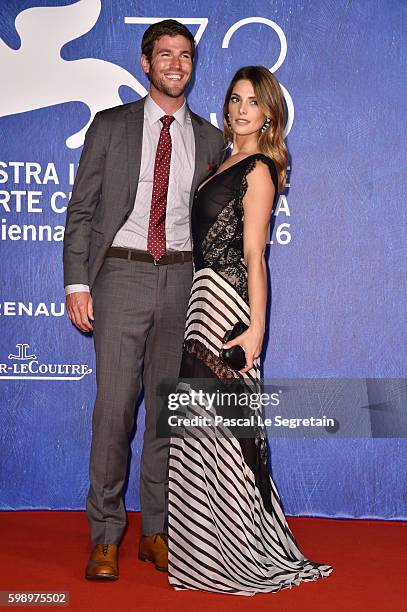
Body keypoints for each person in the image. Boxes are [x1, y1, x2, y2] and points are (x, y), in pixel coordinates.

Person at [63, 19, 224, 581]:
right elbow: (82, 209)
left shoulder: (209, 138)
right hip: (122, 277)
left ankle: (156, 532)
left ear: (191, 64)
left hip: (183, 281)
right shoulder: (111, 126)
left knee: (166, 417)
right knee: (113, 413)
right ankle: (106, 535)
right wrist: (77, 283)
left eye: (184, 55)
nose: (175, 64)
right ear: (145, 62)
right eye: (165, 55)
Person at [167, 66, 334, 595]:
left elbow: (255, 256)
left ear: (268, 115)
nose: (240, 110)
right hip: (201, 298)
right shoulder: (225, 162)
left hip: (227, 305)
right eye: (234, 100)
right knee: (196, 427)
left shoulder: (258, 169)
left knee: (223, 430)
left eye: (251, 102)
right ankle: (200, 552)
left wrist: (256, 327)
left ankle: (238, 547)